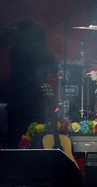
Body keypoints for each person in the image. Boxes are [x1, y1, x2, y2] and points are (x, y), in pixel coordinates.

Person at [5, 17, 58, 148]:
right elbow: (53, 66)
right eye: (36, 28)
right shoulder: (31, 48)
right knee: (33, 133)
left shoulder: (16, 48)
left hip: (20, 98)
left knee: (20, 135)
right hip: (31, 98)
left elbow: (53, 67)